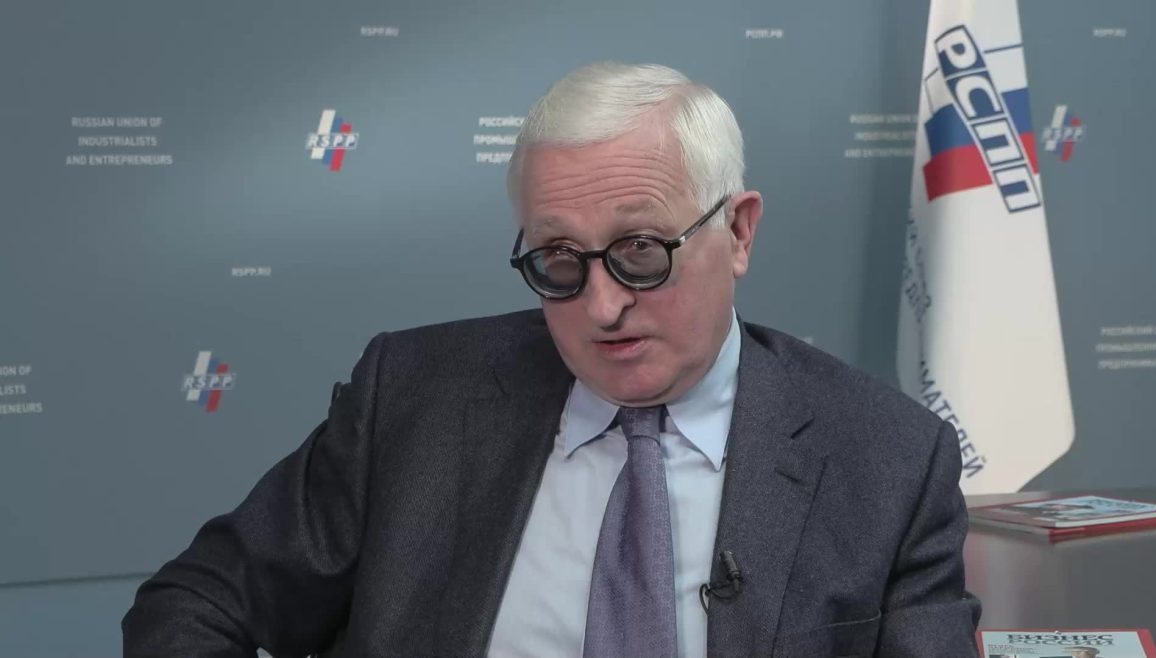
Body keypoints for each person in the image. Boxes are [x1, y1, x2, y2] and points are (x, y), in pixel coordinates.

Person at [123, 62, 980, 657]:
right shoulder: (412, 400)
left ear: (739, 231)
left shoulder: (888, 461)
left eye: (641, 252)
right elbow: (194, 606)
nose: (602, 307)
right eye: (559, 262)